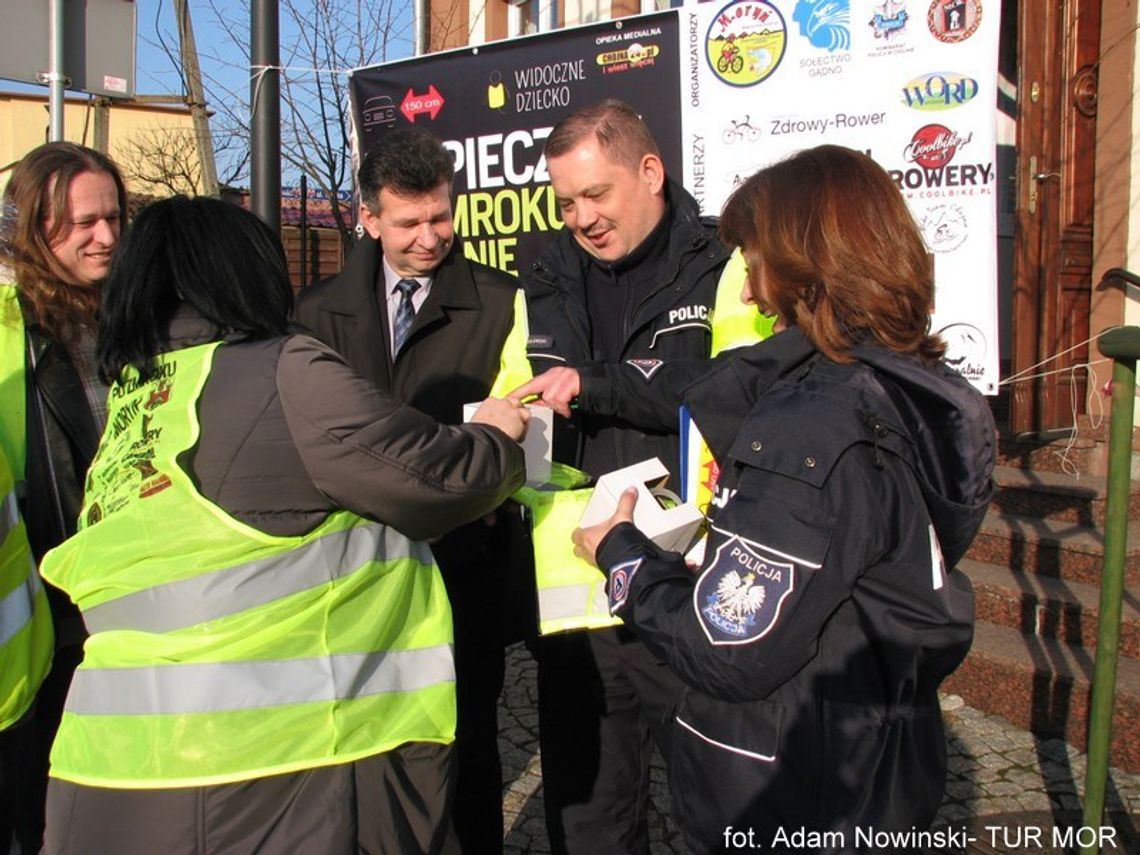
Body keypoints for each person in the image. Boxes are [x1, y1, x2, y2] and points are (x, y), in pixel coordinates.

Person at [517, 145, 995, 853]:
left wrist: (620, 554)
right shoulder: (927, 392)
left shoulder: (814, 425)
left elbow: (728, 648)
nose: (746, 292)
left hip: (797, 783)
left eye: (756, 263)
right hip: (876, 751)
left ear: (805, 266)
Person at [37, 195, 529, 855]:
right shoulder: (280, 369)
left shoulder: (141, 398)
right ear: (246, 272)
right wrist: (496, 440)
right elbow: (433, 479)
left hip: (107, 767)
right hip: (269, 775)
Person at [520, 98, 768, 855]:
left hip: (688, 581)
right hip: (578, 594)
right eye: (566, 202)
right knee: (591, 820)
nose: (581, 217)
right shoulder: (539, 274)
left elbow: (731, 390)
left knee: (723, 810)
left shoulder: (723, 262)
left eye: (596, 194)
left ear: (650, 172)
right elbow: (517, 398)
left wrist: (596, 383)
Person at [294, 126, 531, 853]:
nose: (431, 236)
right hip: (354, 574)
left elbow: (519, 426)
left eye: (441, 216)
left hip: (463, 569)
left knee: (467, 744)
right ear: (368, 219)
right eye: (409, 221)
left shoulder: (499, 300)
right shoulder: (315, 312)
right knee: (365, 749)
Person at [0, 141, 126, 854]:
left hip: (119, 606)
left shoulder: (132, 316)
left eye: (113, 216)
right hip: (44, 618)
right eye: (83, 222)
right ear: (34, 226)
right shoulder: (9, 326)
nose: (105, 235)